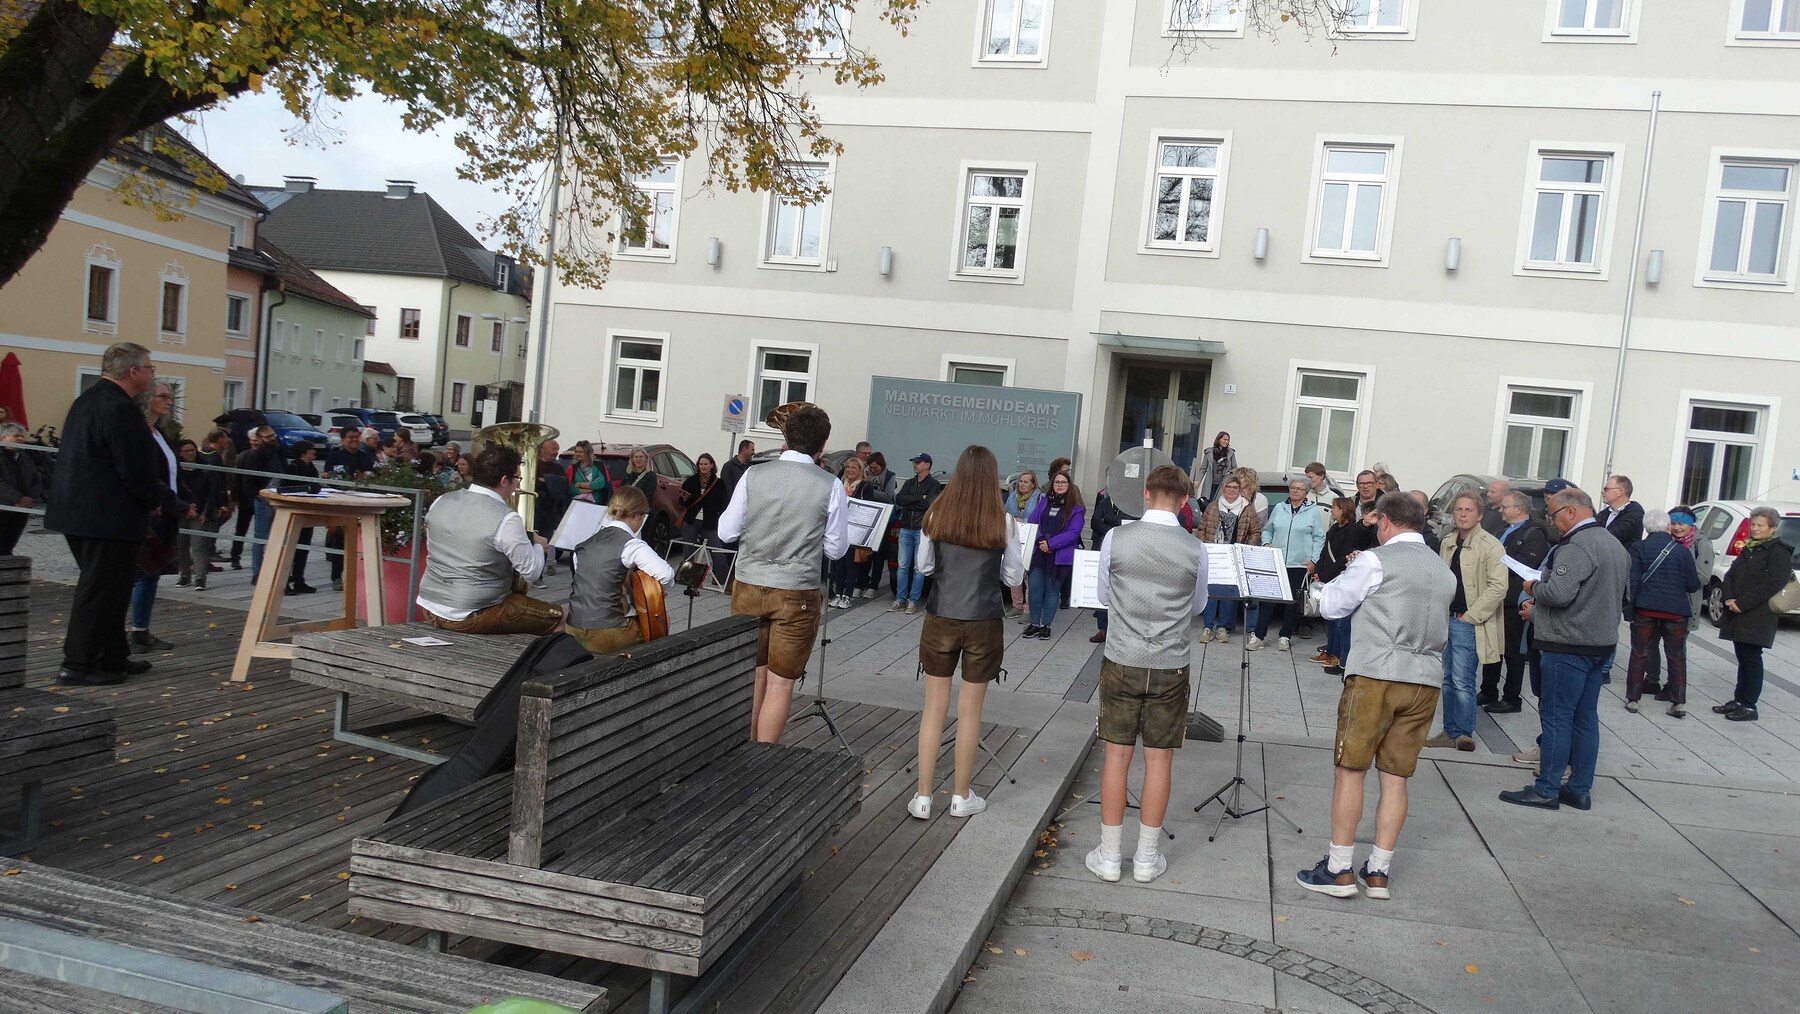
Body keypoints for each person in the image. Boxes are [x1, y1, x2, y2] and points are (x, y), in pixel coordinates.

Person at [1296, 492, 1455, 901]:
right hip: (1425, 679)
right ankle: (1379, 872)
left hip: (1376, 674)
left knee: (1350, 771)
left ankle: (1339, 868)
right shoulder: (1442, 569)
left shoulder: (1375, 560)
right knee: (1396, 778)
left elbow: (1333, 606)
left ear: (1385, 521)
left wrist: (1324, 588)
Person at [1085, 464, 1208, 884]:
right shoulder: (1195, 549)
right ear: (1185, 500)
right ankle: (1146, 858)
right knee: (1159, 761)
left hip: (1123, 657)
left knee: (1116, 756)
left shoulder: (1117, 538)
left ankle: (1109, 855)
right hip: (1170, 662)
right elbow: (1198, 606)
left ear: (1146, 494)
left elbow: (1103, 595)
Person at [717, 405, 848, 744]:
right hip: (796, 591)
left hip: (749, 584)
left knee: (754, 677)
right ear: (823, 444)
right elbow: (836, 550)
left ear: (786, 437)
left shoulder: (753, 475)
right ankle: (764, 758)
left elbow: (726, 531)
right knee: (779, 683)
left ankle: (745, 751)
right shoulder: (830, 485)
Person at [908, 445, 1024, 821]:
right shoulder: (1003, 521)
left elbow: (924, 567)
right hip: (984, 619)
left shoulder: (936, 512)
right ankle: (960, 796)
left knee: (933, 708)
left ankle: (923, 797)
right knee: (970, 711)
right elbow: (1013, 576)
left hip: (942, 614)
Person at [1500, 487, 1630, 811]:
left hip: (1568, 645)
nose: (1552, 522)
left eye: (1553, 515)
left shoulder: (1577, 545)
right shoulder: (1613, 543)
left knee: (1557, 718)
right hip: (1599, 644)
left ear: (1571, 511)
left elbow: (1558, 594)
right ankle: (1579, 789)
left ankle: (1546, 789)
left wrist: (1533, 588)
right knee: (1585, 719)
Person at [45, 344, 168, 685]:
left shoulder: (87, 400)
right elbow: (133, 465)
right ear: (133, 371)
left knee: (111, 588)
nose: (152, 373)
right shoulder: (120, 408)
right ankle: (78, 664)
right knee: (99, 591)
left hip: (79, 511)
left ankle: (113, 657)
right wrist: (152, 500)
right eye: (149, 367)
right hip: (106, 515)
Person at [414, 445, 565, 635]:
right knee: (562, 618)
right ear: (504, 480)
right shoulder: (506, 518)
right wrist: (538, 545)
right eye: (517, 479)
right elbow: (532, 572)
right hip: (472, 612)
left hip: (430, 606)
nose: (517, 486)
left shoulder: (442, 500)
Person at [1424, 492, 1507, 752]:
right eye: (1458, 509)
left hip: (1467, 621)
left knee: (1463, 679)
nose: (1462, 514)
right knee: (1447, 679)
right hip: (1445, 617)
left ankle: (1462, 733)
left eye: (1468, 510)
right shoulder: (1448, 541)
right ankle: (1449, 731)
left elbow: (1498, 586)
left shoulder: (1491, 545)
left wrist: (1471, 616)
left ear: (1479, 515)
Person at [564, 486, 675, 654]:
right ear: (636, 515)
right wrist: (654, 594)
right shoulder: (631, 545)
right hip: (608, 633)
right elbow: (667, 575)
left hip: (573, 628)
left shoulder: (584, 545)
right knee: (662, 622)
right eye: (643, 516)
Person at [126, 382, 193, 656]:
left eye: (170, 396)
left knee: (150, 574)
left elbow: (172, 472)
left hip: (165, 513)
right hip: (149, 513)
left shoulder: (159, 433)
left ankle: (140, 629)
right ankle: (136, 631)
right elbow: (150, 478)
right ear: (146, 399)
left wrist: (186, 498)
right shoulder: (138, 433)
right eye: (163, 396)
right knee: (142, 574)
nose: (169, 401)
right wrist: (177, 505)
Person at [1713, 505, 1793, 724]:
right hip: (1738, 611)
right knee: (1742, 657)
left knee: (1751, 658)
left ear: (1772, 528)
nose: (1755, 528)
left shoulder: (1778, 551)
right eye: (1753, 524)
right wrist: (1729, 597)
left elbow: (1773, 583)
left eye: (1760, 525)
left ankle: (1749, 705)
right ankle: (1739, 700)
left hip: (1757, 614)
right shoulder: (1750, 547)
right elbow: (1730, 574)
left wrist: (1742, 603)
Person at [1624, 510, 1700, 717]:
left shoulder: (1638, 548)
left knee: (1639, 652)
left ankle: (1633, 699)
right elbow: (1693, 585)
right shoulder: (1682, 551)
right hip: (1675, 612)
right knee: (1676, 656)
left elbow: (1632, 581)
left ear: (1646, 527)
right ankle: (1678, 702)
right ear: (1667, 526)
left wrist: (1630, 610)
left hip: (1645, 609)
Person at [1482, 491, 1552, 716]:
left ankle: (1511, 697)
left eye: (1505, 506)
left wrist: (1496, 560)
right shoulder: (1503, 529)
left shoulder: (1534, 534)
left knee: (1513, 651)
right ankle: (1488, 690)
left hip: (1514, 599)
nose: (1501, 510)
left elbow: (1525, 566)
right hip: (1496, 597)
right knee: (1493, 648)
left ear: (1519, 509)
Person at [1254, 478, 1325, 652]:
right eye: (1292, 488)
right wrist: (1266, 543)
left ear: (1306, 492)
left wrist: (1313, 560)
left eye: (1299, 489)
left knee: (1291, 602)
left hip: (1299, 564)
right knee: (1269, 600)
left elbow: (1319, 537)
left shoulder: (1312, 511)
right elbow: (1267, 530)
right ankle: (1258, 636)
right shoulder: (1280, 508)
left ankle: (1285, 636)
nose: (1295, 491)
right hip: (1277, 562)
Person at [1195, 474, 1261, 644]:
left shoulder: (1247, 508)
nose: (1231, 490)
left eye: (1235, 487)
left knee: (1228, 594)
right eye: (1228, 487)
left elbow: (1255, 532)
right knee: (1211, 592)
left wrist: (1244, 549)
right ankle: (1207, 627)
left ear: (1239, 490)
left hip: (1233, 556)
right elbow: (1202, 528)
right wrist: (1205, 546)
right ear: (1223, 489)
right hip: (1213, 554)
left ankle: (1222, 627)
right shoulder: (1213, 506)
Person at [1021, 471, 1084, 639]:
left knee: (1051, 591)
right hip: (1039, 552)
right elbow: (1033, 521)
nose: (1060, 485)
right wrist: (1041, 540)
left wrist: (1051, 544)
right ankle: (1034, 623)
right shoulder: (1044, 502)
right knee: (1034, 589)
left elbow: (1073, 533)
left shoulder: (1076, 509)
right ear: (1052, 484)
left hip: (1059, 555)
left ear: (1069, 485)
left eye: (1063, 482)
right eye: (1057, 482)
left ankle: (1046, 625)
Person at [1310, 497, 1360, 674]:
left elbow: (1343, 557)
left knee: (1338, 619)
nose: (1332, 510)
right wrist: (1318, 571)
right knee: (1329, 616)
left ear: (1343, 510)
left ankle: (1337, 654)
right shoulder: (1333, 528)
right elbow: (1325, 551)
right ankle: (1330, 650)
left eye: (1334, 507)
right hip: (1327, 576)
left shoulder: (1352, 530)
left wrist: (1327, 574)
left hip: (1339, 577)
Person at [891, 453, 944, 614]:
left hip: (921, 529)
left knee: (918, 567)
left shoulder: (934, 484)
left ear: (927, 465)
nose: (915, 464)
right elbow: (899, 499)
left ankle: (912, 600)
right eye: (914, 462)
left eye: (918, 462)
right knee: (902, 566)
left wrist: (912, 501)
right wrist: (919, 497)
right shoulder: (909, 482)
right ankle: (900, 599)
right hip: (906, 527)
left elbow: (928, 504)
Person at [826, 456, 867, 608]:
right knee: (838, 563)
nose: (850, 470)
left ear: (860, 470)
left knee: (850, 564)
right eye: (848, 467)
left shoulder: (864, 487)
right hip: (839, 528)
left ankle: (847, 595)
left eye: (853, 467)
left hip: (854, 530)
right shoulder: (839, 484)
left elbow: (866, 508)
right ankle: (838, 593)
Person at [0, 422, 45, 555]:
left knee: (9, 544)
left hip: (21, 509)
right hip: (4, 507)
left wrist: (30, 497)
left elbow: (37, 479)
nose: (20, 439)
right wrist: (17, 498)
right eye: (16, 436)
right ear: (3, 437)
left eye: (22, 436)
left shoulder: (24, 457)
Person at [1003, 470, 1043, 620]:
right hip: (1013, 538)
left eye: (1026, 482)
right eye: (1020, 481)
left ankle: (1028, 609)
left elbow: (1040, 518)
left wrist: (1024, 521)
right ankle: (1017, 605)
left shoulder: (1040, 498)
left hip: (1031, 540)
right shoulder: (1012, 496)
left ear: (1033, 484)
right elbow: (1005, 513)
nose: (1022, 484)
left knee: (1028, 576)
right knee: (1015, 571)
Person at [284, 440, 322, 594]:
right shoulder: (293, 467)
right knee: (290, 549)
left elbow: (316, 485)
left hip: (307, 510)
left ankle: (299, 580)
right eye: (311, 449)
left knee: (303, 548)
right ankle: (284, 582)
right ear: (303, 452)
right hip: (295, 510)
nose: (314, 452)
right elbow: (287, 487)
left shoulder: (311, 467)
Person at [533, 438, 570, 574]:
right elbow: (534, 483)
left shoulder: (558, 468)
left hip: (551, 510)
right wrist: (549, 481)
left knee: (546, 542)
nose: (556, 452)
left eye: (557, 449)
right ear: (543, 449)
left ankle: (540, 573)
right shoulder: (534, 465)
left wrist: (546, 479)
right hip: (536, 508)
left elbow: (562, 485)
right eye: (554, 449)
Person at [1594, 475, 1644, 545]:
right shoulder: (1604, 513)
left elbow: (1611, 537)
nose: (1602, 492)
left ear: (1619, 492)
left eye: (1606, 489)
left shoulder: (1634, 515)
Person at [1195, 432, 1236, 504]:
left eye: (1228, 440)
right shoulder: (1209, 452)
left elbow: (1234, 468)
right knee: (1208, 503)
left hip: (1224, 483)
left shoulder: (1230, 452)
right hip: (1211, 483)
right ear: (1219, 439)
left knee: (1221, 503)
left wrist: (1230, 475)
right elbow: (1203, 468)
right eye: (1224, 439)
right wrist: (1198, 480)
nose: (1226, 442)